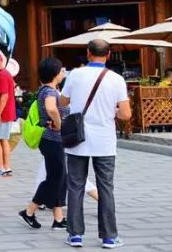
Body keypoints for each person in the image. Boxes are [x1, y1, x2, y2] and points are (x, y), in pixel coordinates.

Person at [60, 39, 130, 249]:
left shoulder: (75, 74)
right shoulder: (117, 79)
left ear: (88, 53)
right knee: (106, 187)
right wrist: (111, 111)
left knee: (75, 186)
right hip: (105, 140)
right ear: (108, 55)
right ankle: (109, 236)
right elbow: (126, 114)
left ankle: (75, 235)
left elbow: (63, 102)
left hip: (77, 139)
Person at [19, 57, 68, 231]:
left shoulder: (48, 90)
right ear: (55, 74)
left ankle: (58, 219)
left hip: (51, 140)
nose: (63, 73)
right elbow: (51, 109)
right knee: (55, 178)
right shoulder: (49, 92)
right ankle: (29, 210)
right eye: (62, 70)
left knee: (59, 178)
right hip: (52, 139)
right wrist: (59, 123)